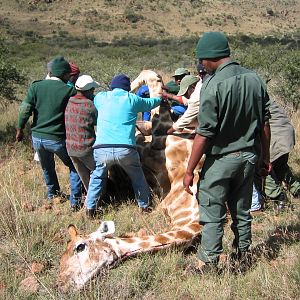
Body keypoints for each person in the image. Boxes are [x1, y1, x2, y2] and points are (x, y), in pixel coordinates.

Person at [183, 32, 271, 272]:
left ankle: (208, 263)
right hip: (249, 157)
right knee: (242, 210)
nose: (201, 65)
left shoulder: (213, 85)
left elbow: (205, 133)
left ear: (211, 58)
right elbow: (264, 123)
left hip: (221, 159)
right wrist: (266, 157)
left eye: (202, 60)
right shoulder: (255, 79)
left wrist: (189, 170)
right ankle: (243, 255)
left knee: (212, 211)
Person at [85, 74, 162, 218]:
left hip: (102, 149)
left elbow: (90, 98)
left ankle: (90, 209)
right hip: (125, 149)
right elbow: (153, 103)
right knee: (137, 177)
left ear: (112, 86)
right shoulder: (132, 99)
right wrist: (163, 96)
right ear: (127, 88)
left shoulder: (101, 97)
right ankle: (144, 207)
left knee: (97, 177)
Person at [16, 56, 82, 211]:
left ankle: (53, 195)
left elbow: (25, 109)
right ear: (66, 74)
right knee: (75, 166)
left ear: (50, 71)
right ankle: (75, 201)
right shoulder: (69, 90)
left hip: (37, 137)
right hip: (57, 138)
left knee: (47, 167)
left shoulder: (36, 86)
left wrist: (19, 128)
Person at [251, 99, 300, 212]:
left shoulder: (247, 96)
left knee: (262, 168)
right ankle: (297, 189)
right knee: (280, 166)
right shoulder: (259, 92)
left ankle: (279, 198)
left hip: (275, 135)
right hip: (286, 133)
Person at [65, 75, 99, 192]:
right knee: (98, 172)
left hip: (70, 148)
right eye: (93, 90)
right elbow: (98, 122)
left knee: (85, 178)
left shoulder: (69, 102)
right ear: (88, 91)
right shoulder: (90, 105)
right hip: (85, 148)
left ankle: (89, 198)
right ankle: (99, 200)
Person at [166, 64, 208, 134]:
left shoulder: (196, 97)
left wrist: (170, 131)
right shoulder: (200, 83)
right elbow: (187, 101)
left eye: (185, 93)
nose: (185, 96)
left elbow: (186, 119)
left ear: (192, 87)